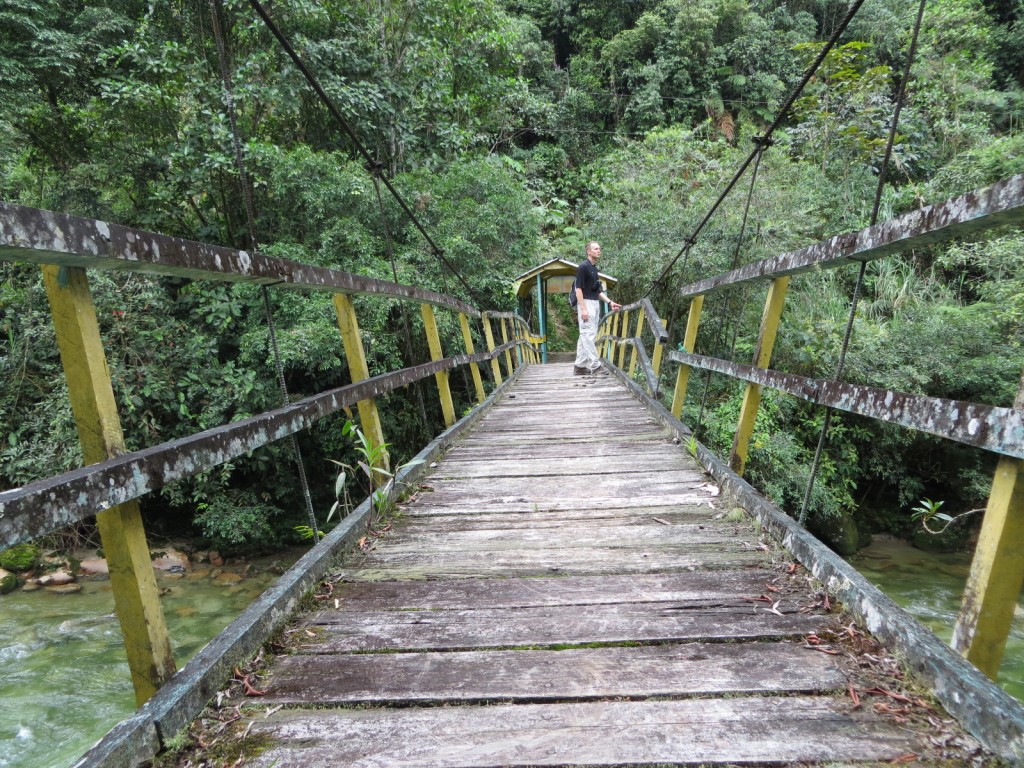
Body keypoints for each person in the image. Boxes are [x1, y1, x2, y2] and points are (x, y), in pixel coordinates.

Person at [574, 241, 621, 375]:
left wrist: (610, 302)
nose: (598, 251)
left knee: (586, 334)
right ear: (588, 251)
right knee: (588, 335)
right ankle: (595, 365)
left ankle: (579, 366)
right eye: (595, 249)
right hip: (586, 303)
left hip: (594, 303)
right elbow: (578, 289)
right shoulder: (583, 267)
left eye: (599, 249)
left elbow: (598, 291)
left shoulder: (594, 269)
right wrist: (583, 309)